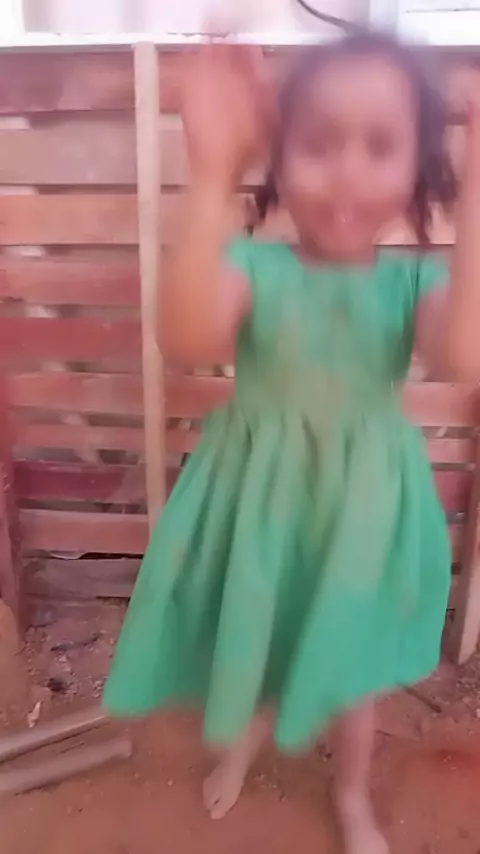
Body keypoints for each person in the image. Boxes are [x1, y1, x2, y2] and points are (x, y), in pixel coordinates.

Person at [104, 33, 480, 854]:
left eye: (379, 145)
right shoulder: (252, 267)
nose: (346, 171)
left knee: (352, 668)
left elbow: (466, 356)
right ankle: (243, 745)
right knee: (260, 632)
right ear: (278, 156)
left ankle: (350, 794)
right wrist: (211, 174)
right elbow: (185, 335)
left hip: (362, 509)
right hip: (259, 496)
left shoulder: (415, 282)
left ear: (419, 167)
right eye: (318, 142)